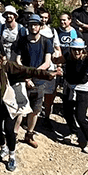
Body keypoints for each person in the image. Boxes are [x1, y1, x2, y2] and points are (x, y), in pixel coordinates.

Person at [0, 44, 60, 172]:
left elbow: (28, 71)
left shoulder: (8, 66)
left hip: (10, 103)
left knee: (9, 130)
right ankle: (4, 148)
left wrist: (47, 74)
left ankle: (12, 156)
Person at [15, 13, 53, 148]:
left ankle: (29, 134)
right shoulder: (22, 40)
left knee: (35, 110)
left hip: (39, 81)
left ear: (40, 26)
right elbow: (18, 60)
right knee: (20, 108)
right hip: (23, 79)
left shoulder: (46, 41)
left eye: (36, 24)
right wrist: (26, 76)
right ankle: (14, 134)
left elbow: (47, 62)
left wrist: (32, 75)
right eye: (31, 25)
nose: (33, 27)